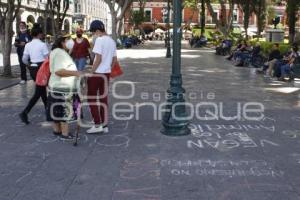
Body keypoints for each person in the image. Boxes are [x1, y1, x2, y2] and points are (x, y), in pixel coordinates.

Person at [46, 35, 81, 140]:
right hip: (63, 88)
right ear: (62, 42)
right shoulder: (60, 53)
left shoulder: (57, 52)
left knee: (56, 110)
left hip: (57, 87)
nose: (71, 41)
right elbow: (59, 71)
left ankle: (57, 131)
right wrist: (76, 73)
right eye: (68, 40)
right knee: (64, 111)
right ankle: (65, 134)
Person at [86, 20, 117, 134]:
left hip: (97, 73)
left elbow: (97, 58)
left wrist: (91, 72)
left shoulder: (99, 40)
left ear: (98, 30)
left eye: (94, 32)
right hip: (106, 73)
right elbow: (114, 60)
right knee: (103, 98)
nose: (94, 34)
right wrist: (107, 68)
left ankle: (97, 124)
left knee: (91, 98)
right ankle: (104, 125)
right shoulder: (112, 41)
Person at [19, 25, 49, 124]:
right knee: (38, 92)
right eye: (41, 33)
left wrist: (29, 66)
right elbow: (47, 59)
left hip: (32, 69)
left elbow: (24, 59)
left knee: (41, 90)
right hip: (42, 69)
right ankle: (25, 112)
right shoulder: (42, 44)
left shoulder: (28, 45)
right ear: (39, 34)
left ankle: (48, 111)